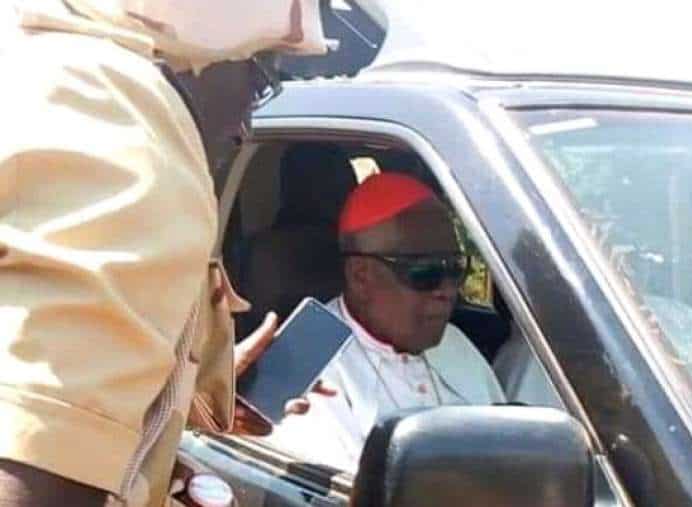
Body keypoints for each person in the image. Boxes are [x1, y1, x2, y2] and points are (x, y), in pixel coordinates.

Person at [0, 1, 327, 505]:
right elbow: (29, 465)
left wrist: (172, 407)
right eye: (260, 81)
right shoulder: (123, 123)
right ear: (201, 39)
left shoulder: (44, 74)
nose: (245, 128)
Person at [268, 173, 505, 471]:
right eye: (425, 272)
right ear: (361, 276)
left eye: (455, 268)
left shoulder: (455, 342)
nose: (446, 291)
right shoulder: (299, 359)